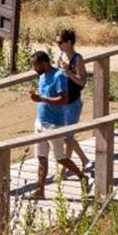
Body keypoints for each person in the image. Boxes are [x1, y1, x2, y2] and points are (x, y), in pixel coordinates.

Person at [28, 51, 83, 200]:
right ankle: (40, 191)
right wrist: (37, 98)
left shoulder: (58, 76)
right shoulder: (41, 77)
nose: (34, 68)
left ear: (44, 63)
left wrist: (42, 99)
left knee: (60, 158)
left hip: (54, 124)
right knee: (41, 158)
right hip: (40, 121)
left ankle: (81, 177)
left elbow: (63, 100)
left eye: (36, 65)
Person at [55, 28, 91, 173]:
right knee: (65, 136)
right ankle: (83, 159)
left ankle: (64, 169)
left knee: (67, 137)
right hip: (62, 101)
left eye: (60, 42)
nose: (58, 44)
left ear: (69, 42)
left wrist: (69, 72)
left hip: (73, 102)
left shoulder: (78, 59)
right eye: (57, 42)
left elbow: (82, 82)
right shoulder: (61, 56)